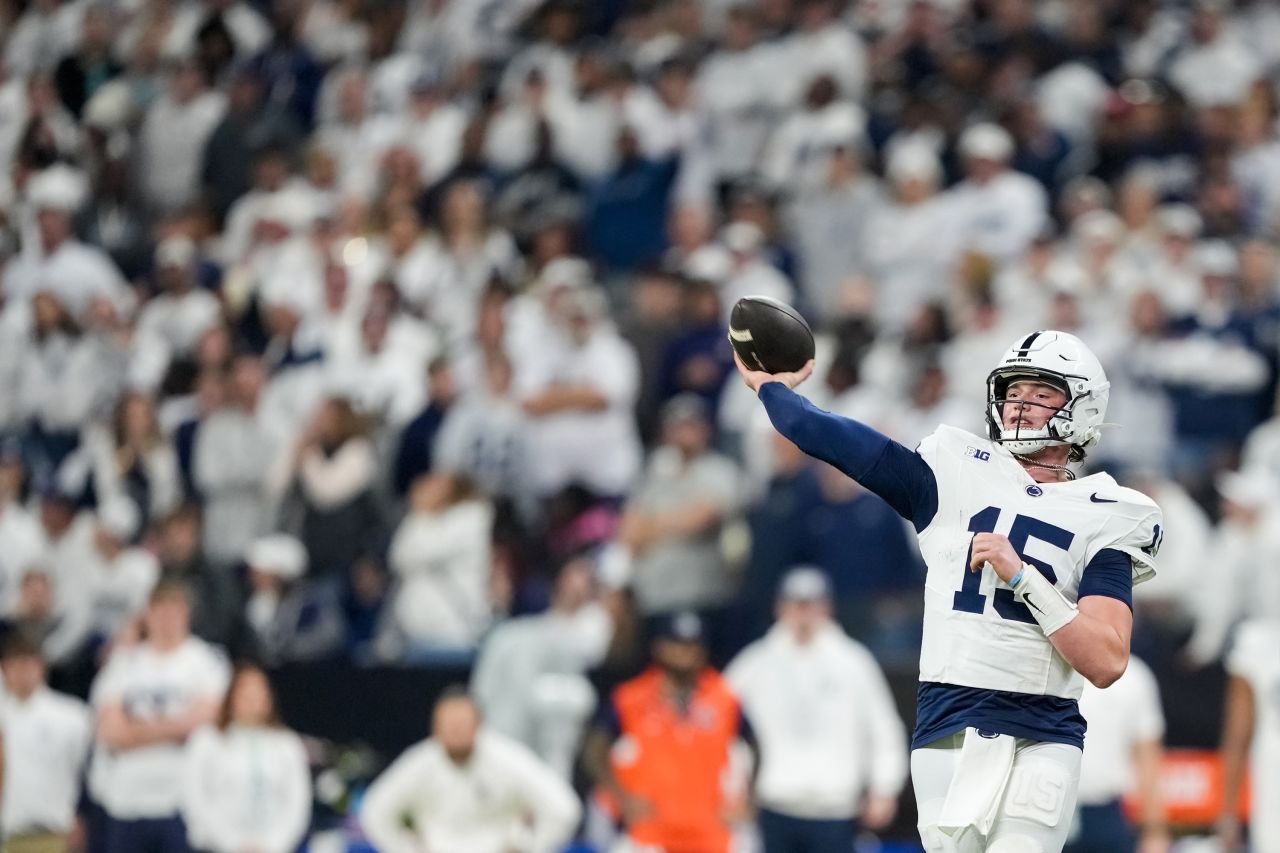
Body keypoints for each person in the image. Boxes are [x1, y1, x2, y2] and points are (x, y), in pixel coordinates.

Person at [735, 328, 1163, 853]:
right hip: (948, 717)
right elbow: (836, 439)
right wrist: (772, 390)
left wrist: (1024, 577)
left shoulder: (1109, 511)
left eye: (1041, 392)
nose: (1020, 406)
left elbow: (1106, 660)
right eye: (1013, 391)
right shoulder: (955, 471)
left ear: (1083, 406)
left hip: (1042, 725)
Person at [726, 567, 907, 853]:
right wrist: (733, 786)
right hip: (774, 805)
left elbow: (883, 728)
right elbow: (724, 730)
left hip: (834, 809)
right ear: (780, 607)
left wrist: (884, 787)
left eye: (810, 603)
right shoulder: (754, 664)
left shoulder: (854, 662)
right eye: (795, 603)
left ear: (826, 607)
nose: (803, 613)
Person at [583, 611, 754, 853]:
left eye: (692, 645)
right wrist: (621, 797)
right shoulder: (632, 698)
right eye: (677, 644)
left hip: (711, 833)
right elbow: (594, 750)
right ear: (660, 647)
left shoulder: (724, 698)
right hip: (651, 833)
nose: (685, 652)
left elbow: (756, 745)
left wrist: (749, 800)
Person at [88, 580, 232, 853]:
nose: (167, 618)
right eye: (160, 610)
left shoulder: (206, 661)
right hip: (127, 799)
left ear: (187, 615)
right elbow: (109, 731)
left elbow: (206, 721)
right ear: (148, 615)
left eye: (174, 610)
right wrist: (174, 727)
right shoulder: (123, 663)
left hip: (183, 799)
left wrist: (137, 730)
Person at [360, 687, 581, 853]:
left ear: (479, 725)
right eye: (449, 725)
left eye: (462, 724)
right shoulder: (420, 763)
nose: (456, 731)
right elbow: (374, 811)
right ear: (435, 728)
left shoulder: (507, 759)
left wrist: (530, 848)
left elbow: (563, 809)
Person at [181, 664, 312, 853]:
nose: (252, 699)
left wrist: (273, 845)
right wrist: (233, 844)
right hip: (215, 848)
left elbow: (298, 804)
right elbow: (196, 800)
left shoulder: (287, 744)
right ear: (230, 696)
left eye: (258, 691)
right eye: (244, 691)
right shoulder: (206, 741)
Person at [0, 633, 94, 853]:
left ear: (41, 667)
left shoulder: (71, 716)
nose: (22, 673)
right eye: (15, 665)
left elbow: (88, 773)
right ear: (4, 669)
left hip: (50, 830)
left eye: (28, 664)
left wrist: (83, 816)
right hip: (8, 831)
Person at [1066, 654, 1168, 853]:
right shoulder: (1043, 664)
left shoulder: (1133, 675)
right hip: (1045, 803)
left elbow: (1147, 759)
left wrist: (1154, 831)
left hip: (1106, 812)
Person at [1218, 616, 1280, 853]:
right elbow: (1239, 732)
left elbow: (1238, 733)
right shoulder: (1257, 640)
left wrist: (1228, 813)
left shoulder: (1257, 641)